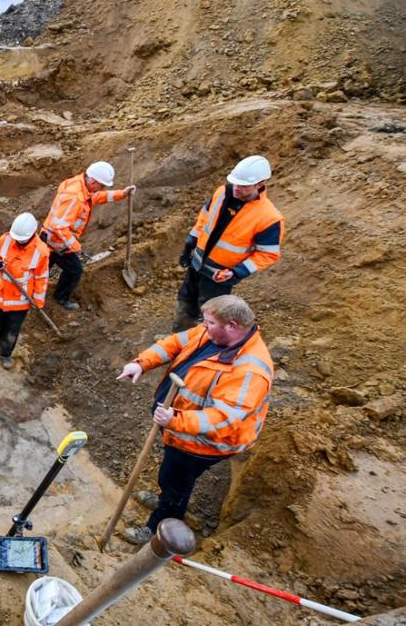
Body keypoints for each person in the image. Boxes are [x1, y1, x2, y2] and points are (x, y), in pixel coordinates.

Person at [115, 295, 273, 545]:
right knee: (170, 476)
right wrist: (142, 364)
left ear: (231, 325)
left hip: (203, 442)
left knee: (176, 482)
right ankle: (165, 497)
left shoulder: (250, 371)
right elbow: (174, 343)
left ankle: (160, 530)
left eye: (209, 322)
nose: (203, 325)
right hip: (179, 425)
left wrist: (175, 419)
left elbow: (223, 419)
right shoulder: (211, 332)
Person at [172, 155, 284, 331]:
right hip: (197, 263)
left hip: (220, 276)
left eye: (244, 186)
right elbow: (204, 217)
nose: (237, 188)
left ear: (260, 184)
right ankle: (179, 336)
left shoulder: (269, 217)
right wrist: (190, 242)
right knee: (185, 299)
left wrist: (237, 272)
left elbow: (268, 254)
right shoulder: (223, 192)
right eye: (235, 183)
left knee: (211, 313)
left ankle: (201, 347)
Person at [42, 162, 135, 310]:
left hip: (51, 237)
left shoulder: (81, 184)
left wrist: (122, 194)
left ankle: (33, 290)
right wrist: (75, 246)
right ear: (92, 181)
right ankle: (60, 297)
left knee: (43, 267)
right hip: (57, 240)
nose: (102, 189)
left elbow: (96, 197)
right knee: (74, 270)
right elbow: (58, 226)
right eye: (101, 185)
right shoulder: (75, 198)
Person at [0, 213, 49, 370]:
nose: (18, 241)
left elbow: (41, 278)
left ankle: (5, 354)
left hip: (20, 302)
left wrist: (38, 301)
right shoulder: (5, 239)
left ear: (32, 234)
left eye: (22, 239)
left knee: (11, 332)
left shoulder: (41, 251)